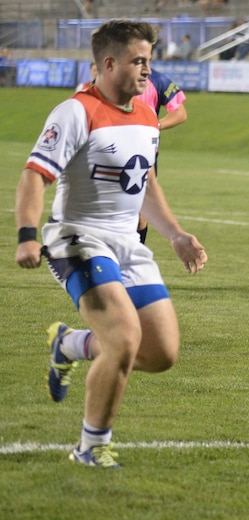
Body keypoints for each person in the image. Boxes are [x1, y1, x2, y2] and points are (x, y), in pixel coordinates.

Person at [14, 19, 207, 469]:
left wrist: (175, 234)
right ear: (109, 62)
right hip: (76, 239)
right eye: (139, 61)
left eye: (150, 61)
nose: (147, 71)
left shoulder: (144, 114)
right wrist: (26, 236)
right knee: (123, 339)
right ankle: (90, 446)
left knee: (160, 354)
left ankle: (71, 345)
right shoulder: (76, 112)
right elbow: (34, 175)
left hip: (128, 245)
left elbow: (146, 182)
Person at [133, 66, 188, 245]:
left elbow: (180, 113)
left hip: (145, 153)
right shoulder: (113, 79)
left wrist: (154, 125)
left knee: (141, 214)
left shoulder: (158, 80)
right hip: (112, 148)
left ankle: (134, 259)